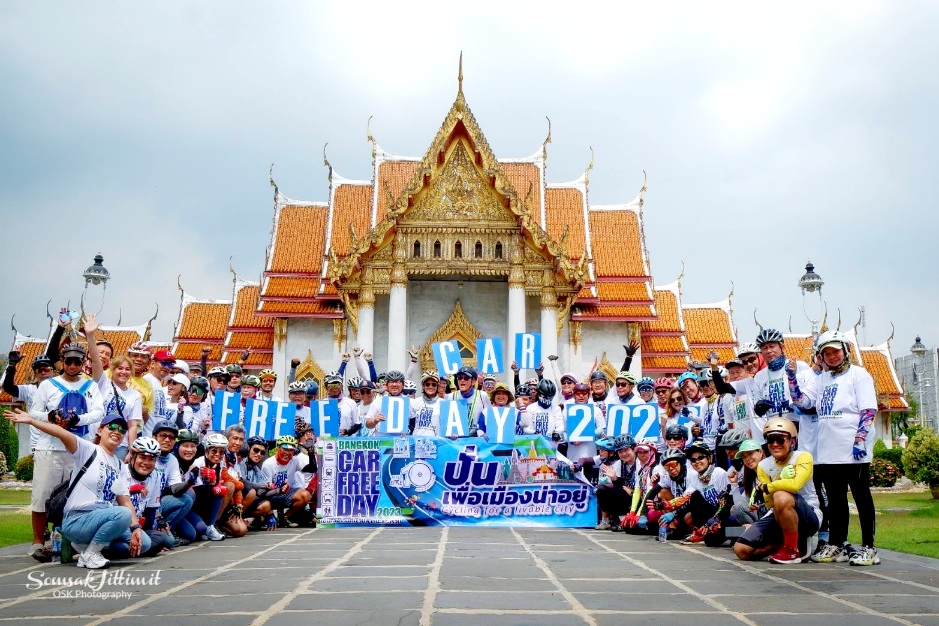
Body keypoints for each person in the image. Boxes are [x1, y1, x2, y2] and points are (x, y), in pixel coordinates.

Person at [789, 330, 880, 566]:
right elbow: (803, 403)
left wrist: (860, 438)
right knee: (836, 500)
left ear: (845, 351)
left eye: (836, 351)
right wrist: (791, 378)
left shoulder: (859, 375)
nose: (832, 356)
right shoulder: (821, 379)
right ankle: (838, 544)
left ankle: (869, 547)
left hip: (853, 448)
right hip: (827, 450)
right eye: (826, 352)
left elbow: (868, 410)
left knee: (861, 497)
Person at [6, 409, 139, 569]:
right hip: (77, 519)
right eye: (111, 426)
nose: (117, 431)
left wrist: (136, 528)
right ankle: (90, 553)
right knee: (123, 514)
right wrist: (32, 421)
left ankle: (84, 548)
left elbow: (124, 499)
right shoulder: (88, 450)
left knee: (143, 543)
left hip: (100, 517)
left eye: (122, 430)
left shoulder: (118, 465)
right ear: (100, 430)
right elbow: (61, 433)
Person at [26, 342, 104, 562]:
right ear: (62, 361)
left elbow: (99, 412)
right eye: (68, 361)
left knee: (75, 497)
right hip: (49, 446)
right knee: (42, 494)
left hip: (78, 448)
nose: (72, 365)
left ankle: (69, 541)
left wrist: (79, 419)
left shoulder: (91, 386)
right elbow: (34, 412)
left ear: (83, 363)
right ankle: (38, 541)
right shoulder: (48, 385)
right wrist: (51, 417)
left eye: (76, 361)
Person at [733, 418, 822, 565]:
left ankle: (792, 550)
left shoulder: (803, 457)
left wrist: (769, 487)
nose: (775, 444)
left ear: (792, 441)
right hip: (777, 513)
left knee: (781, 494)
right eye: (770, 440)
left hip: (809, 514)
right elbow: (769, 503)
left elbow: (795, 485)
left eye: (780, 439)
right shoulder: (763, 466)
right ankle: (782, 545)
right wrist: (761, 504)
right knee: (741, 549)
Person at [118, 436, 175, 557]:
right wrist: (131, 491)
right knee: (148, 544)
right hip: (118, 524)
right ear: (133, 457)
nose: (146, 463)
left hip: (138, 525)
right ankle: (110, 548)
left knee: (166, 540)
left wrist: (148, 533)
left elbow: (150, 509)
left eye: (152, 459)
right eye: (142, 457)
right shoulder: (121, 472)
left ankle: (140, 546)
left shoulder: (155, 475)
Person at [262, 435, 311, 527]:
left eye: (291, 450)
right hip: (271, 496)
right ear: (278, 448)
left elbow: (311, 469)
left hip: (286, 494)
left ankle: (285, 518)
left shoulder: (295, 460)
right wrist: (270, 514)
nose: (288, 453)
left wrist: (311, 453)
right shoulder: (268, 464)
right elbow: (264, 493)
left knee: (305, 495)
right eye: (285, 449)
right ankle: (264, 517)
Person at [410, 371, 442, 436]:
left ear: (437, 386)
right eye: (427, 384)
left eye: (434, 384)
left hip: (437, 442)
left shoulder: (444, 403)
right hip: (418, 442)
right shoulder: (414, 402)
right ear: (423, 386)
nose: (430, 387)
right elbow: (403, 420)